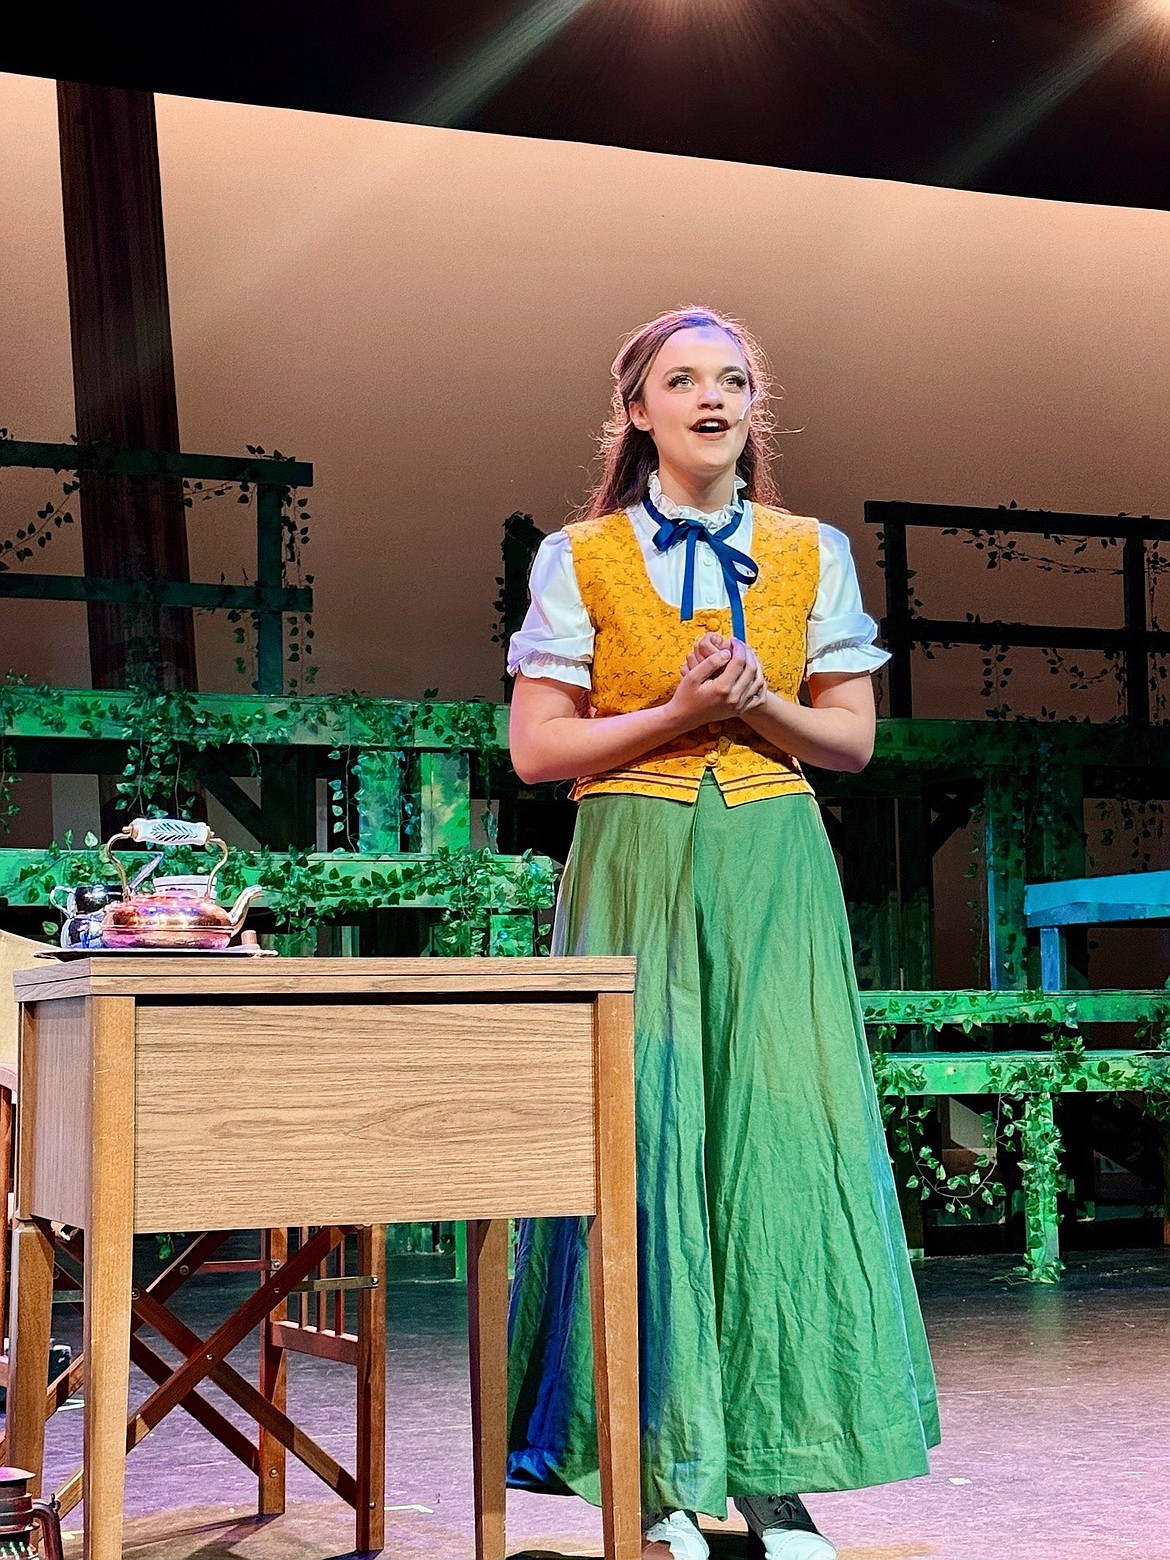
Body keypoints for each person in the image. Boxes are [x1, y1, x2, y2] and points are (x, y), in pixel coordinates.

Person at [504, 306, 939, 1560]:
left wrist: (764, 709)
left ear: (756, 407)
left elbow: (852, 739)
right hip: (636, 859)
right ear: (636, 410)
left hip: (772, 861)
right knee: (644, 1143)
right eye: (680, 379)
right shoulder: (578, 557)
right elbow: (537, 749)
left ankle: (770, 1476)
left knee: (778, 1147)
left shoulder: (811, 552)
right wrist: (675, 710)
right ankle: (654, 1472)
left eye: (732, 379)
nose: (711, 397)